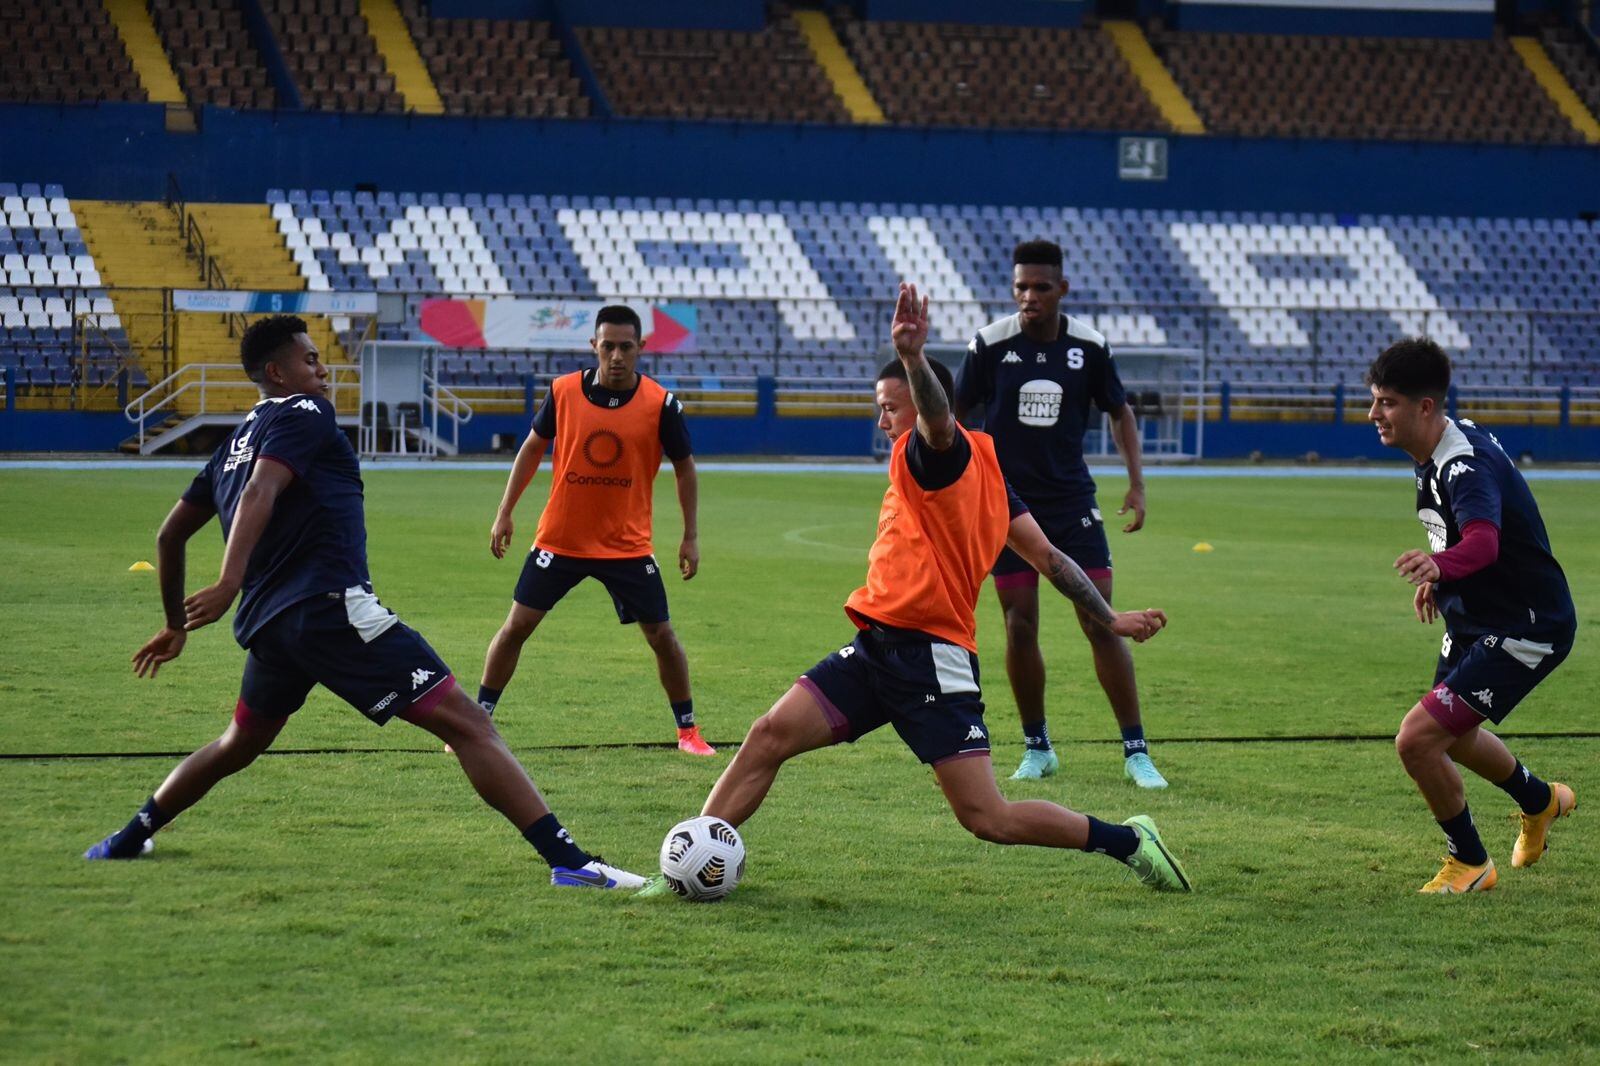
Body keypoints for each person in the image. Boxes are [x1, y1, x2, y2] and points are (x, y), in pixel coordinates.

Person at [649, 284, 1188, 894]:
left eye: (890, 407)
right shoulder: (987, 465)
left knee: (989, 818)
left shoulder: (939, 450)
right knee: (767, 735)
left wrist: (911, 358)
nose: (883, 420)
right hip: (878, 645)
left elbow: (938, 428)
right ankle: (686, 861)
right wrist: (1109, 616)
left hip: (932, 659)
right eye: (879, 407)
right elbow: (1051, 558)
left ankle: (1129, 839)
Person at [84, 315, 644, 890]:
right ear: (277, 373)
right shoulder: (305, 411)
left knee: (238, 742)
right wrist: (228, 581)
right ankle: (571, 863)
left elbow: (169, 534)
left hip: (273, 628)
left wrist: (175, 623)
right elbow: (261, 491)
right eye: (309, 359)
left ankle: (128, 838)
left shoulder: (233, 442)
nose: (322, 369)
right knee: (469, 724)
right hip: (331, 611)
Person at [954, 240, 1166, 787]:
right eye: (1021, 287)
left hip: (1072, 503)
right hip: (1007, 504)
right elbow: (954, 418)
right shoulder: (990, 345)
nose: (1029, 297)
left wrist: (1137, 485)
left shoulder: (1089, 347)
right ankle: (1037, 745)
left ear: (1062, 289)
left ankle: (1136, 751)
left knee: (1101, 621)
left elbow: (1120, 410)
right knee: (1018, 622)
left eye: (1041, 287)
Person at [1370, 338, 1577, 894]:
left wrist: (1441, 565)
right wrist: (1444, 580)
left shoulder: (1463, 463)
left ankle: (1469, 862)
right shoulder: (1433, 449)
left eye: (1386, 402)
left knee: (1416, 740)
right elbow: (1468, 542)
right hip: (1477, 619)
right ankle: (1542, 801)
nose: (1374, 414)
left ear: (1425, 407)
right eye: (1374, 400)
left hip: (1525, 626)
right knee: (1452, 737)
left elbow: (1483, 544)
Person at [480, 305, 712, 755]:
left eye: (627, 346)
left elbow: (685, 468)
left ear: (641, 348)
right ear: (594, 346)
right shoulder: (564, 392)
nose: (617, 356)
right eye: (608, 346)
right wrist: (505, 510)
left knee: (661, 636)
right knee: (516, 627)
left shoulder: (660, 404)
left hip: (626, 546)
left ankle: (688, 731)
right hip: (560, 540)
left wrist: (690, 535)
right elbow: (531, 449)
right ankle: (479, 721)